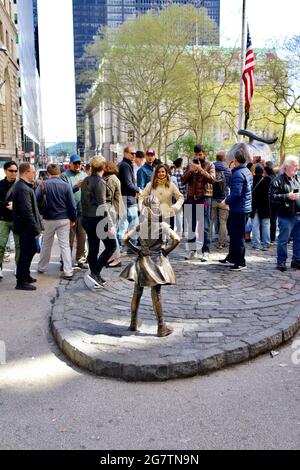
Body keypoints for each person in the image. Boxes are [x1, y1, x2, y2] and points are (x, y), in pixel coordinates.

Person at [120, 195, 180, 337]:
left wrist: (136, 250)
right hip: (156, 262)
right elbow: (177, 239)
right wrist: (166, 251)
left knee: (137, 292)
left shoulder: (140, 226)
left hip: (142, 260)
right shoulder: (162, 226)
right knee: (156, 293)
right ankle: (161, 327)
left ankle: (133, 323)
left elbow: (124, 239)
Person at [36, 164, 77, 280]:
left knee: (46, 244)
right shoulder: (66, 186)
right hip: (63, 218)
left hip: (48, 218)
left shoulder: (43, 184)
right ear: (59, 172)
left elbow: (36, 199)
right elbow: (72, 205)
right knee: (64, 245)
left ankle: (42, 267)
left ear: (48, 173)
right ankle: (68, 271)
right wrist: (73, 219)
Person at [81, 156, 117, 288]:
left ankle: (95, 275)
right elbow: (102, 205)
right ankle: (94, 273)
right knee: (111, 246)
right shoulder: (100, 182)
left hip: (87, 219)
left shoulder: (86, 180)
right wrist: (110, 225)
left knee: (94, 247)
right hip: (98, 220)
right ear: (102, 166)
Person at [219, 145, 253, 271]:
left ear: (236, 160)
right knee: (233, 234)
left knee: (237, 235)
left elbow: (236, 193)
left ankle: (240, 261)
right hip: (242, 208)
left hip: (239, 209)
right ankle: (232, 256)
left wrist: (226, 201)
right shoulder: (246, 171)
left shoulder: (238, 173)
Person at [182, 144, 215, 261]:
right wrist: (190, 172)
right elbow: (182, 181)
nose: (198, 157)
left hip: (204, 199)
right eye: (196, 154)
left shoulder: (210, 165)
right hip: (191, 198)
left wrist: (201, 170)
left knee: (205, 225)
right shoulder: (189, 166)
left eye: (200, 154)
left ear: (204, 154)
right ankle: (192, 250)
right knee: (191, 226)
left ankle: (206, 251)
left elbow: (212, 179)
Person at [12, 163, 43, 290]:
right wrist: (36, 229)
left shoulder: (24, 186)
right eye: (33, 171)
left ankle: (26, 275)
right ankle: (21, 281)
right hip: (26, 228)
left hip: (26, 227)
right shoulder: (23, 188)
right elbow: (27, 212)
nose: (35, 174)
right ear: (26, 173)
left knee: (29, 252)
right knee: (25, 254)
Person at [269, 155, 300, 272]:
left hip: (298, 215)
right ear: (287, 167)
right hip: (286, 216)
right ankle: (281, 262)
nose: (297, 168)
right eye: (295, 165)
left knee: (298, 240)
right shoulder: (277, 181)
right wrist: (287, 196)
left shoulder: (298, 179)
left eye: (297, 165)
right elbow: (272, 197)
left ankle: (296, 261)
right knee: (283, 241)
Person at [60, 154, 88, 269]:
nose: (77, 165)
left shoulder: (84, 175)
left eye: (79, 163)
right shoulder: (64, 176)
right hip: (69, 213)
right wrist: (76, 187)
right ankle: (65, 261)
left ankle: (80, 259)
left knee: (81, 238)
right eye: (75, 163)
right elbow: (64, 193)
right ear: (70, 164)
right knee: (68, 239)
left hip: (82, 211)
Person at [142, 164, 184, 229]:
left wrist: (176, 206)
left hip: (168, 216)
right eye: (158, 172)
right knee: (156, 238)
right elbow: (142, 197)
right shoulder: (149, 185)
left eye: (163, 172)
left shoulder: (171, 185)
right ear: (155, 174)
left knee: (169, 237)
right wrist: (144, 209)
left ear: (166, 173)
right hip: (154, 216)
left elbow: (180, 197)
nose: (161, 173)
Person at [118, 145, 142, 253]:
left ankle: (124, 248)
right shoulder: (125, 166)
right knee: (130, 225)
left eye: (135, 154)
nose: (134, 155)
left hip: (126, 199)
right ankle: (125, 248)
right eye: (132, 153)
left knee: (125, 225)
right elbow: (128, 184)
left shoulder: (126, 165)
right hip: (127, 200)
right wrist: (138, 190)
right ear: (125, 153)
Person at [103, 160, 125, 268]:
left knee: (112, 235)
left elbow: (108, 197)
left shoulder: (111, 179)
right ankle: (113, 256)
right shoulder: (111, 178)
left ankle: (117, 258)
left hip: (114, 210)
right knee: (111, 234)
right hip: (115, 209)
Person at [0, 161, 20, 280]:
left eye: (15, 171)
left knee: (19, 245)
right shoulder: (0, 184)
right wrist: (6, 204)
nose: (13, 173)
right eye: (11, 171)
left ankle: (18, 266)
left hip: (17, 219)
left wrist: (15, 205)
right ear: (5, 170)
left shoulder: (20, 184)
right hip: (3, 219)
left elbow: (26, 202)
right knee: (1, 245)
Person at [211, 151, 231, 249]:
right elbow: (230, 184)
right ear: (224, 158)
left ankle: (207, 239)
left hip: (211, 198)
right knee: (223, 222)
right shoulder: (228, 170)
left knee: (210, 220)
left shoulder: (211, 167)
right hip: (224, 199)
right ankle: (222, 242)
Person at [250, 164, 271, 250]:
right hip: (265, 205)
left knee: (255, 226)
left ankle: (256, 244)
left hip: (254, 205)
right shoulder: (267, 180)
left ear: (254, 172)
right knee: (266, 225)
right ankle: (266, 244)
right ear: (263, 172)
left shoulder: (252, 180)